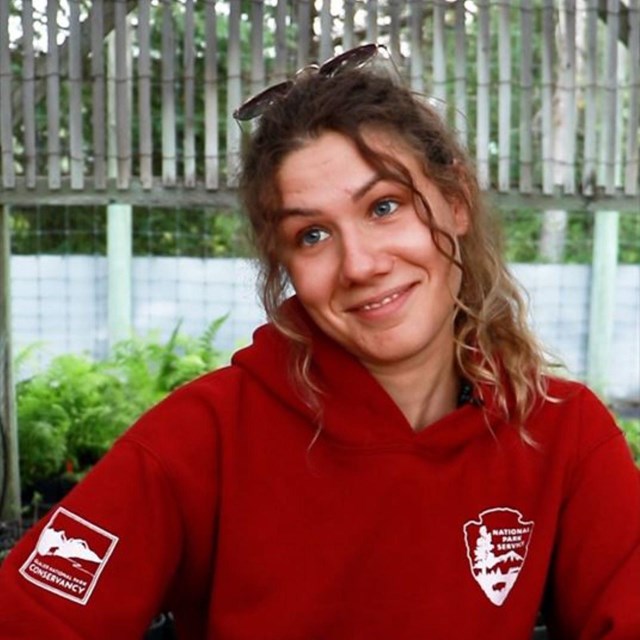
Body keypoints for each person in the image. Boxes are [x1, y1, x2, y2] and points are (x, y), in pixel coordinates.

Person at [0, 43, 638, 639]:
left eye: (385, 206)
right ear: (283, 264)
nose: (360, 264)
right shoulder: (203, 439)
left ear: (456, 201)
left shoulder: (562, 434)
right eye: (312, 235)